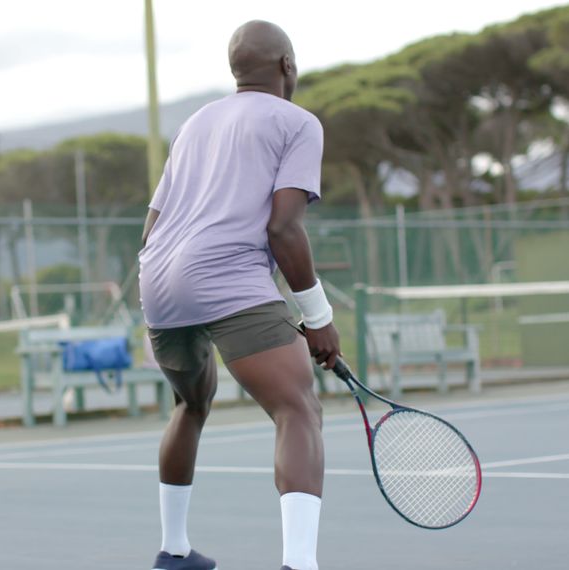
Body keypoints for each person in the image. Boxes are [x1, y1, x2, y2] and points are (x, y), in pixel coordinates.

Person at [138, 20, 341, 570]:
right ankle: (300, 565)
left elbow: (150, 230)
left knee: (191, 404)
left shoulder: (195, 124)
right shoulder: (298, 123)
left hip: (157, 280)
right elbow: (283, 229)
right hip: (227, 276)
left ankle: (173, 551)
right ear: (287, 67)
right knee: (297, 409)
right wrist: (317, 317)